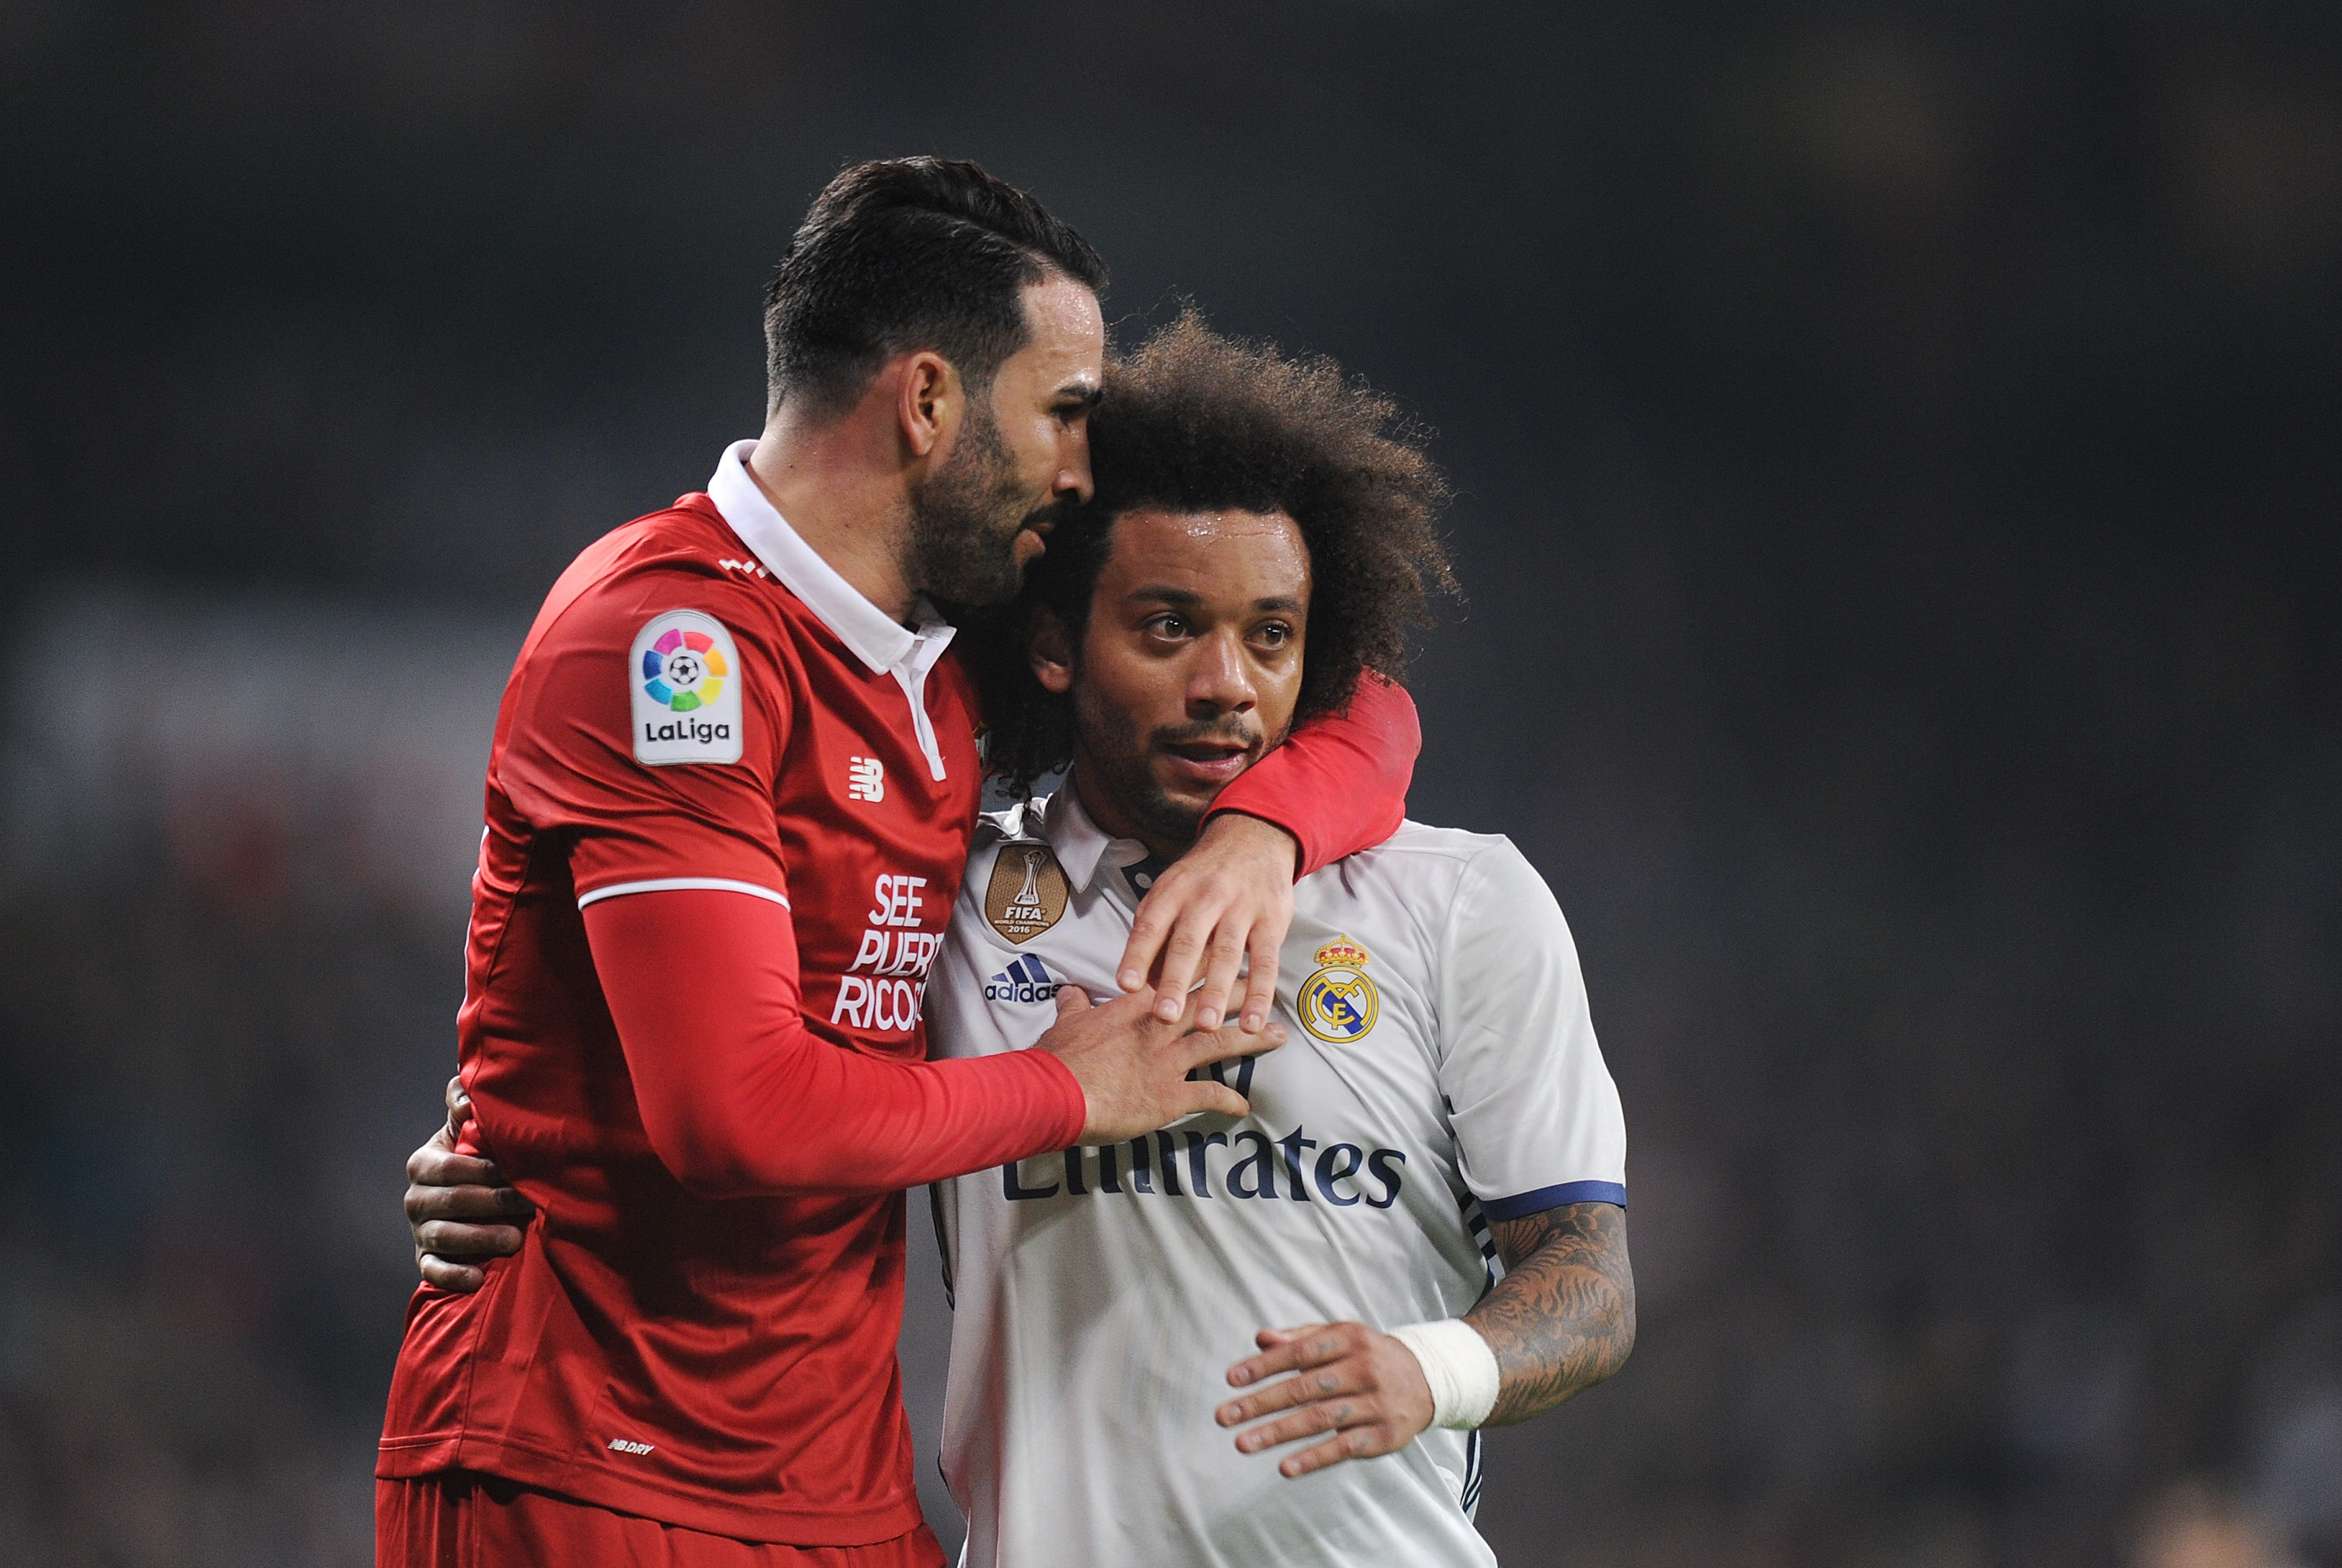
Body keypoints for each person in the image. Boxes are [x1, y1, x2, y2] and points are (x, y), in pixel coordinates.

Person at [412, 314, 1634, 1567]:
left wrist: (1437, 1370)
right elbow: (738, 1048)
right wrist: (502, 1129)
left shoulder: (1464, 905)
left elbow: (1592, 1287)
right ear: (1051, 645)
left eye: (1271, 637)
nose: (1226, 682)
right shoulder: (956, 889)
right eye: (1166, 627)